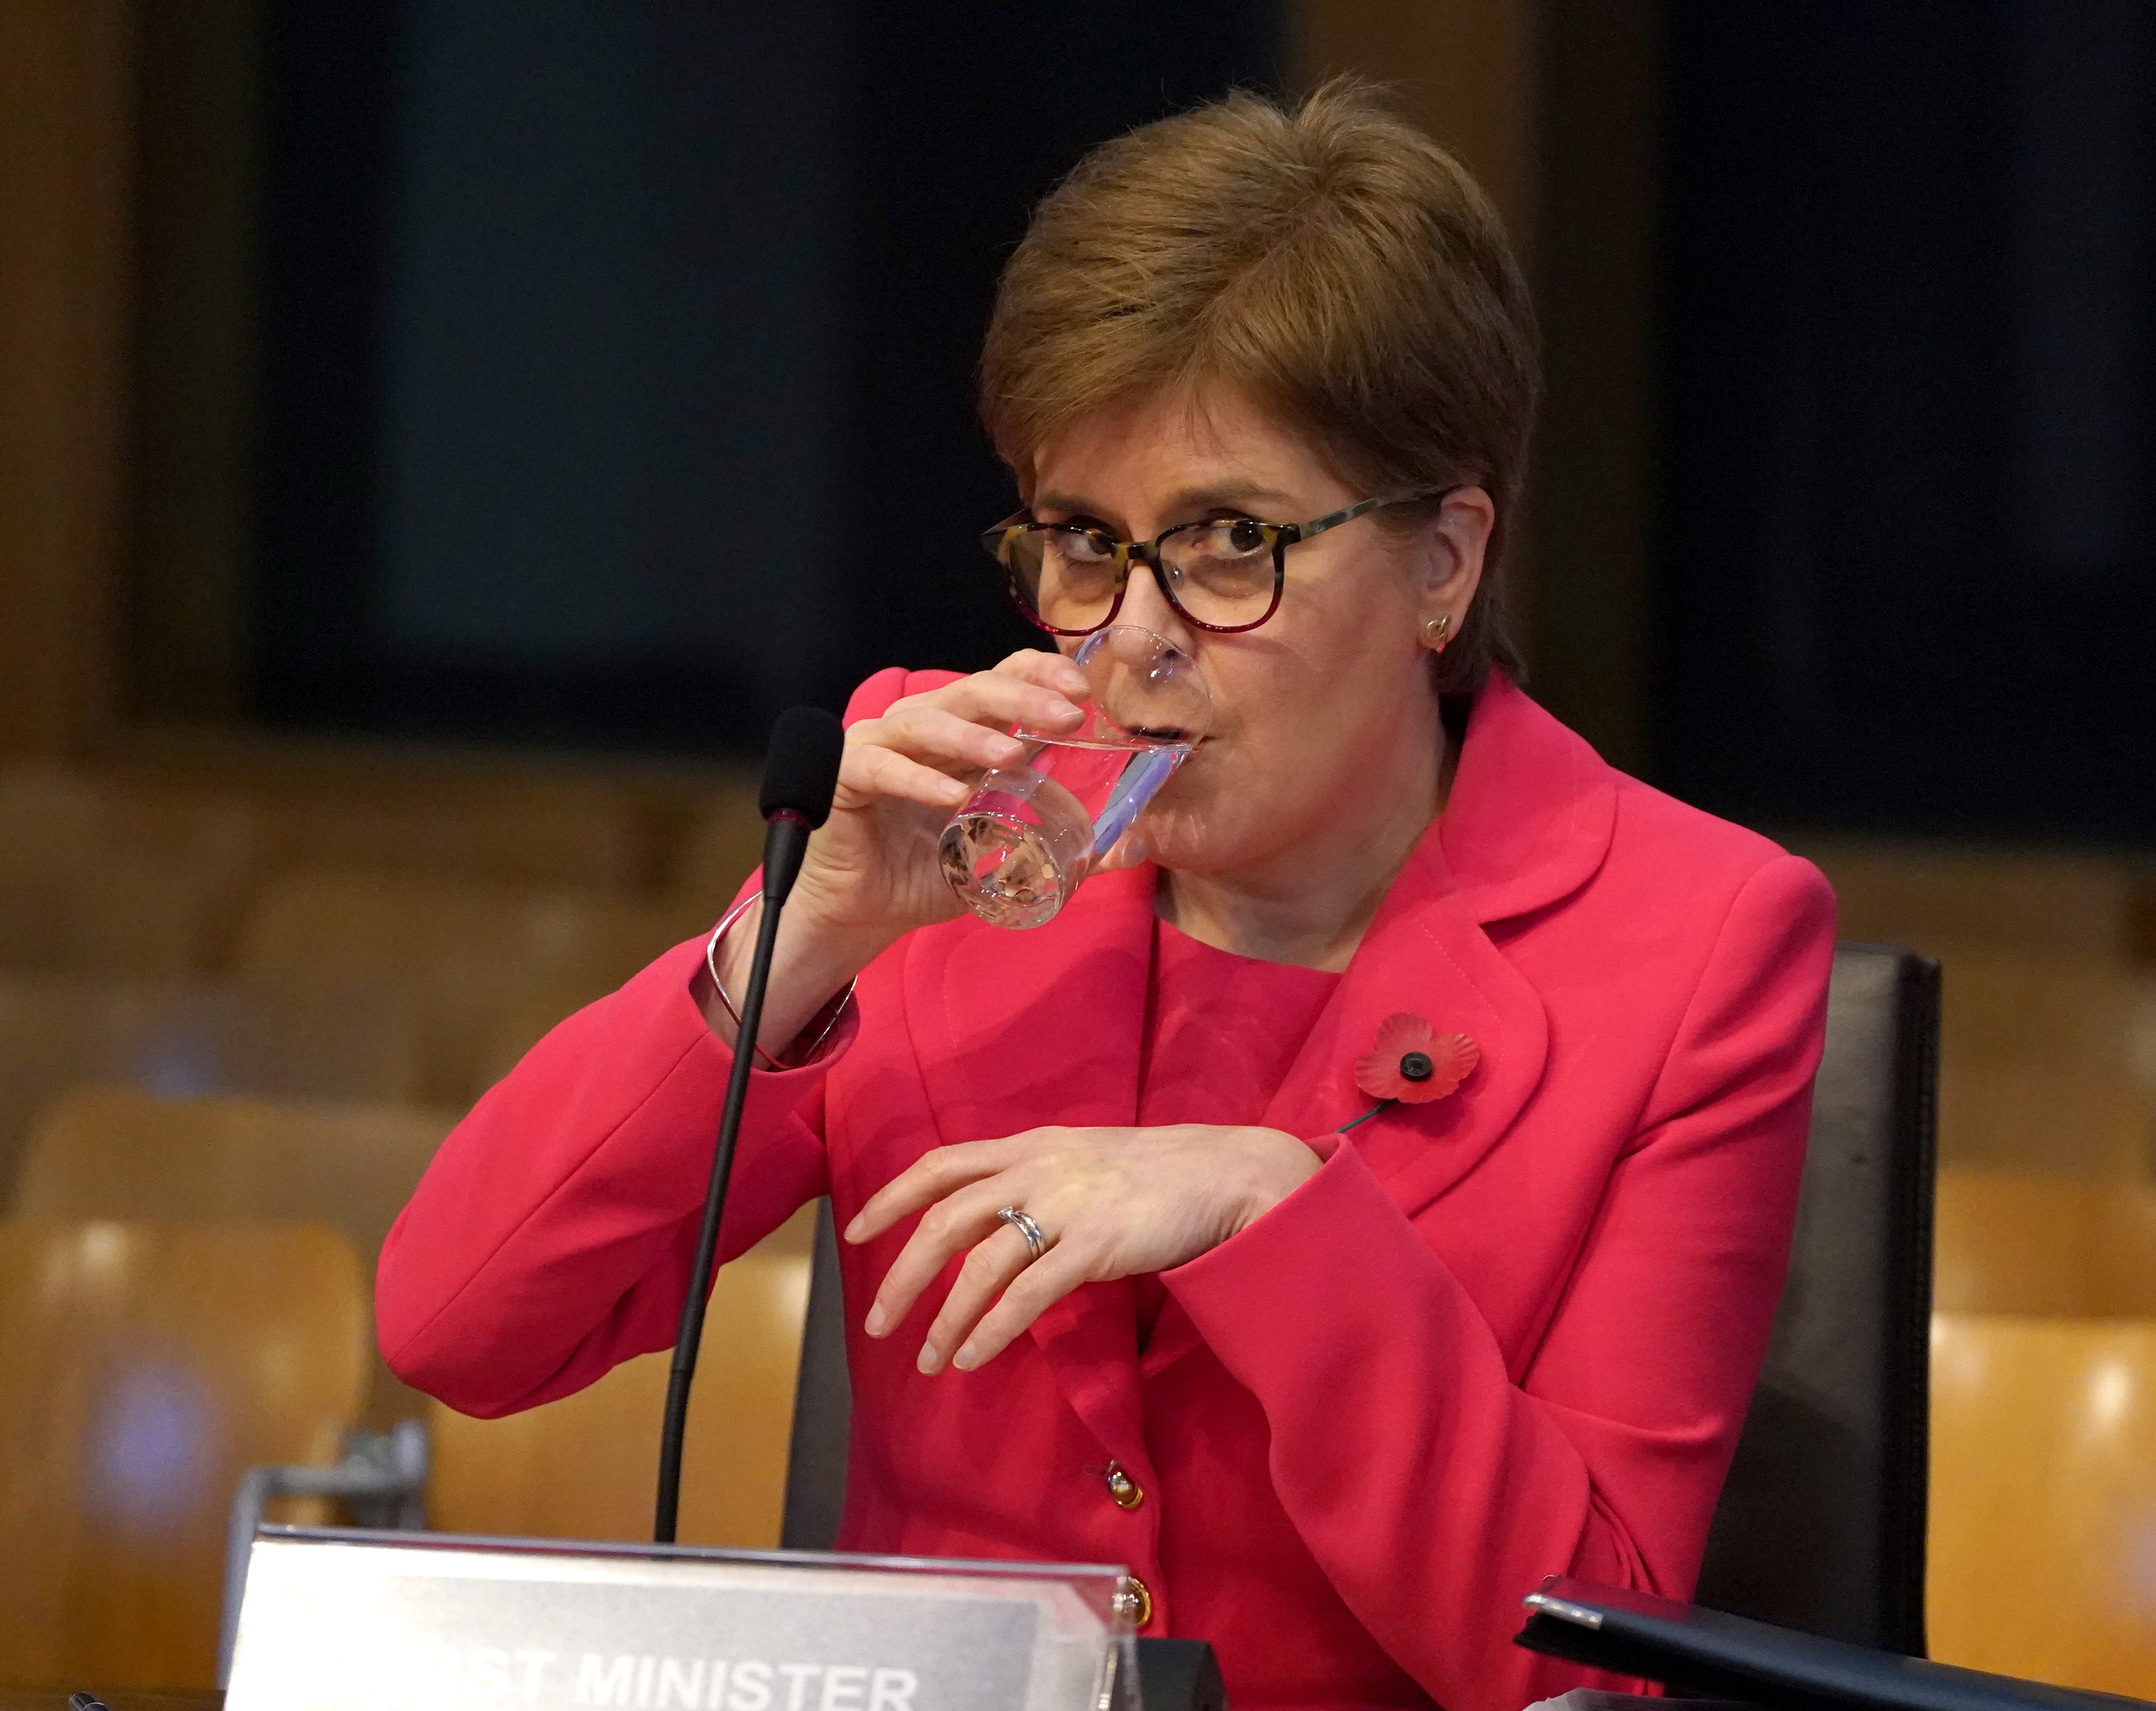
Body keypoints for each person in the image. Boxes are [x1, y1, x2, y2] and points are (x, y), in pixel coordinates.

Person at [379, 80, 1835, 1711]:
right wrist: (807, 939)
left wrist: (1283, 1212)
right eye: (1085, 540)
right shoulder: (953, 815)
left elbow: (1592, 1669)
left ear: (1444, 562)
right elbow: (457, 1324)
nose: (1131, 636)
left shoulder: (1700, 938)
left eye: (1228, 542)